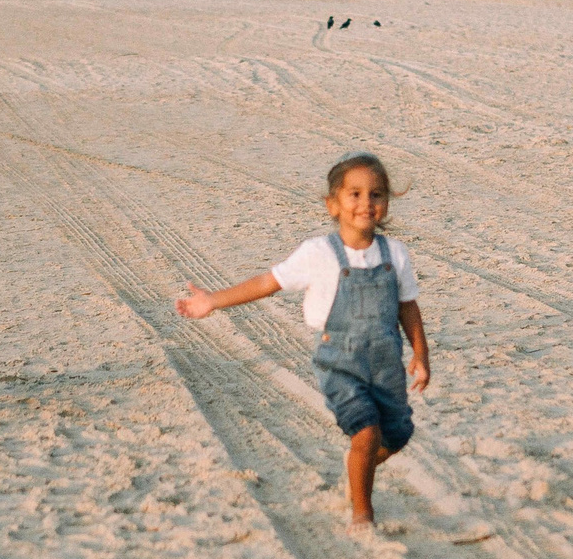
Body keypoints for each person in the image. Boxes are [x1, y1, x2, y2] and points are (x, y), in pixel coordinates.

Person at [177, 153, 430, 526]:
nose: (366, 203)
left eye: (376, 194)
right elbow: (267, 283)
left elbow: (408, 308)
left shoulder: (396, 254)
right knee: (365, 431)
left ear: (387, 201)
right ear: (333, 204)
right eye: (355, 194)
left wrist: (421, 355)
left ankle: (358, 470)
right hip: (340, 362)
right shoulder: (317, 253)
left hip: (385, 362)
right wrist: (213, 300)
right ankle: (363, 514)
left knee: (395, 435)